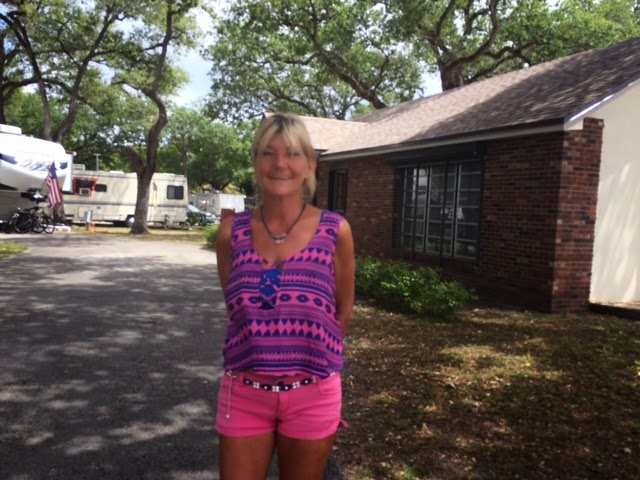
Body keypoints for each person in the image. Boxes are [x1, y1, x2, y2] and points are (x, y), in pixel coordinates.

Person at [214, 112, 356, 480]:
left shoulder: (335, 231)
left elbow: (343, 309)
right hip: (244, 393)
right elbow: (236, 309)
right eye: (268, 152)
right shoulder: (231, 233)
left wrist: (312, 353)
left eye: (292, 153)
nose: (280, 164)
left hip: (313, 394)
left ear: (310, 165)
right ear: (255, 161)